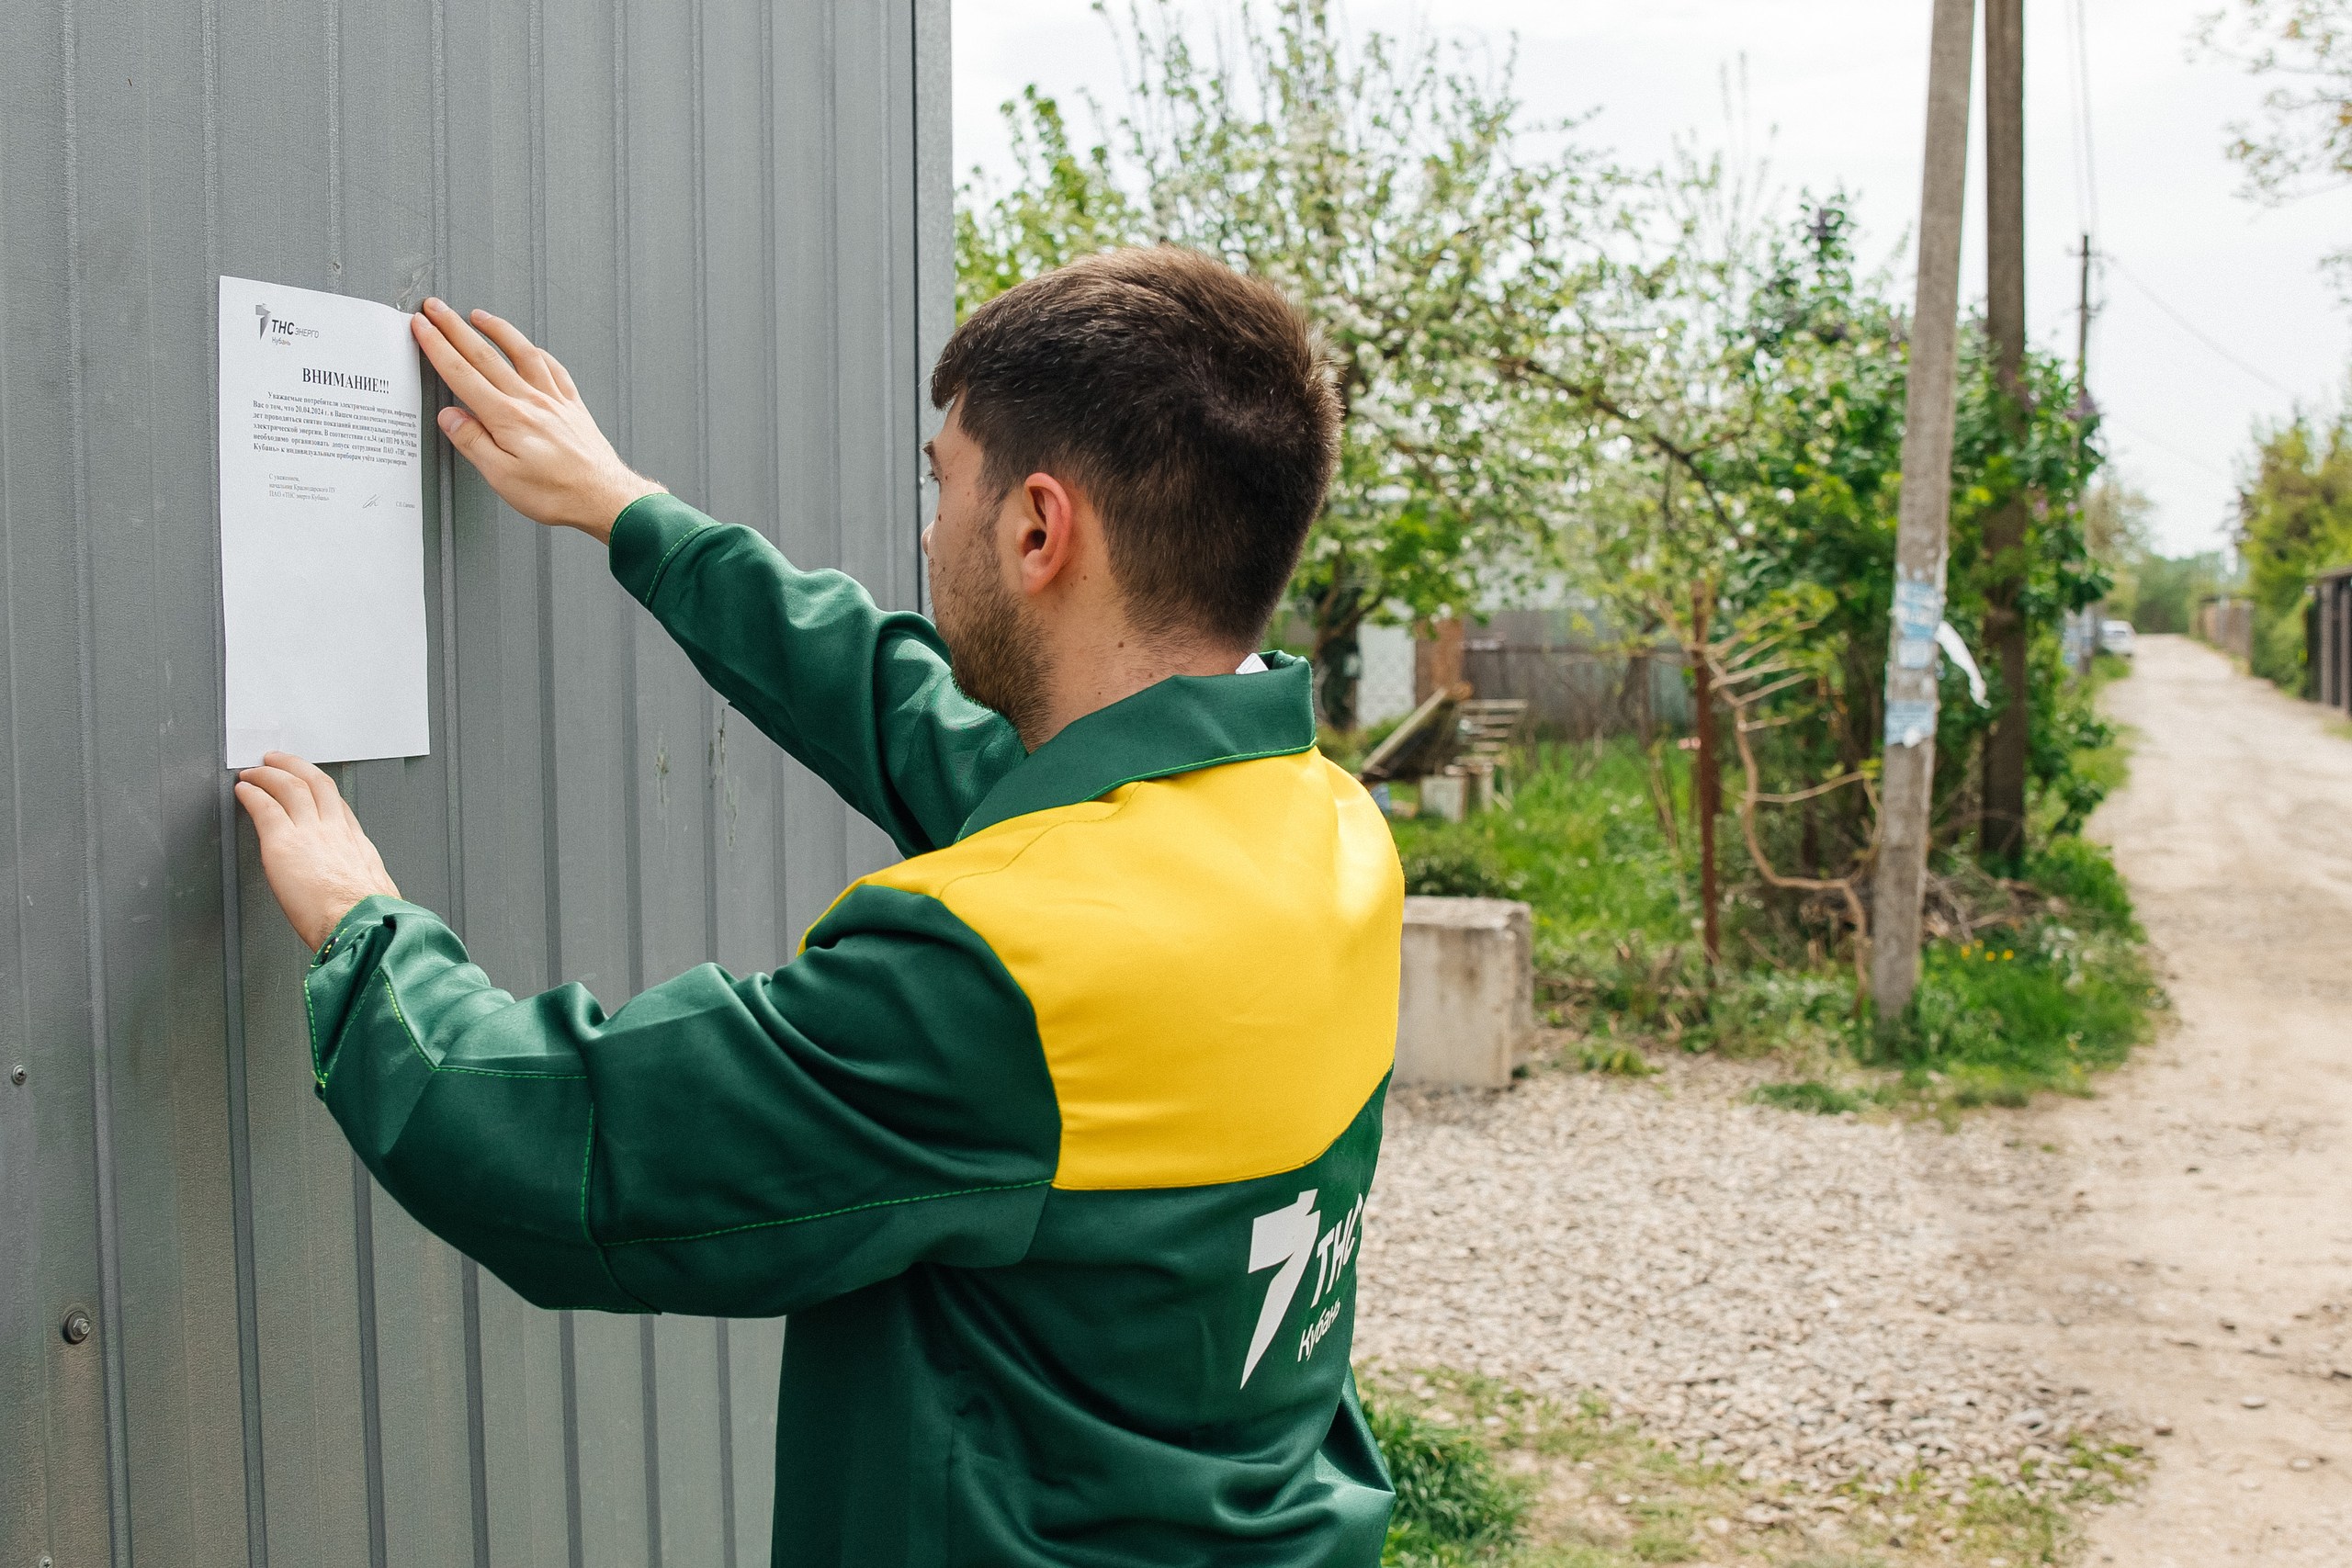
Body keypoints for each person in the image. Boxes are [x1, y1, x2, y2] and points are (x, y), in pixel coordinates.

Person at [233, 246, 1402, 1564]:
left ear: (1036, 529)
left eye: (940, 479)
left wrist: (365, 930)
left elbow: (576, 1145)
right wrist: (633, 513)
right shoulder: (1326, 831)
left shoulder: (996, 975)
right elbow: (915, 718)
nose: (927, 527)